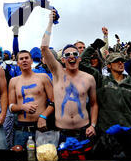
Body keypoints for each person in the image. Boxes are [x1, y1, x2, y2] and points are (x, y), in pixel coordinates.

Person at [40, 11, 98, 151]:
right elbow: (44, 48)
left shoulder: (89, 78)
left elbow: (94, 104)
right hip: (62, 133)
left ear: (79, 58)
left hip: (84, 131)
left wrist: (93, 125)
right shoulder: (58, 73)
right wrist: (50, 22)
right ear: (63, 59)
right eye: (67, 55)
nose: (71, 56)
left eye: (75, 54)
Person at [8, 50, 54, 150]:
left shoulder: (43, 77)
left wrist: (43, 116)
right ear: (18, 63)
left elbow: (54, 101)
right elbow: (11, 107)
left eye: (26, 58)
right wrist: (22, 107)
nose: (24, 60)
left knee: (44, 159)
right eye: (21, 59)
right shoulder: (14, 81)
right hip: (21, 129)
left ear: (31, 61)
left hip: (41, 128)